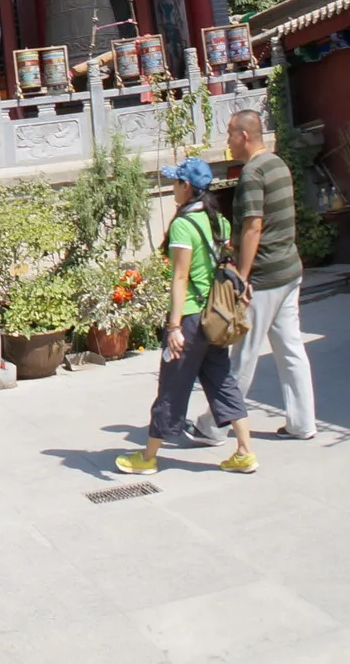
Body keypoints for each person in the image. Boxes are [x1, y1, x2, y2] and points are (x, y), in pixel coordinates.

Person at [116, 157, 257, 476]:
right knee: (222, 382)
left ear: (187, 187)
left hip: (191, 318)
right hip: (215, 318)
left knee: (171, 387)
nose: (173, 188)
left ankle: (148, 458)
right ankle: (245, 451)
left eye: (176, 183)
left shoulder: (183, 224)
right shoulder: (219, 222)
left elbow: (180, 277)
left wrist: (174, 325)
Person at [192, 109, 318, 443]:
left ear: (244, 136)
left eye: (230, 135)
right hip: (289, 269)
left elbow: (253, 226)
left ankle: (213, 426)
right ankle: (302, 422)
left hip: (263, 277)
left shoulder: (252, 173)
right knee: (291, 349)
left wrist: (241, 277)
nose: (228, 143)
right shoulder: (278, 164)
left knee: (241, 356)